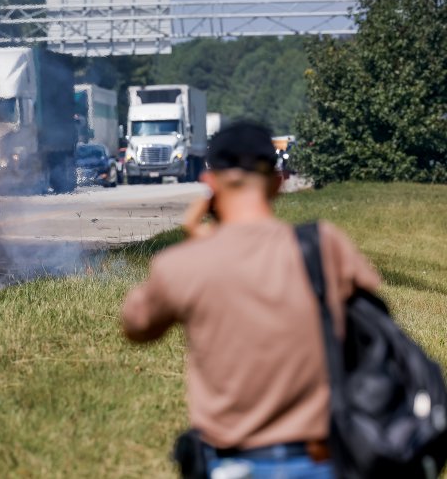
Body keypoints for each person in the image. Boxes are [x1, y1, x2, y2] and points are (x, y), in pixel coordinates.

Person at [121, 121, 381, 479]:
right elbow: (375, 315)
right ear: (279, 183)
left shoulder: (183, 264)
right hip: (324, 459)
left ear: (209, 185)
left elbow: (135, 325)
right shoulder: (325, 247)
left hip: (232, 463)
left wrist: (199, 247)